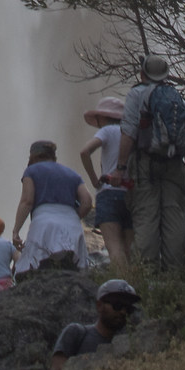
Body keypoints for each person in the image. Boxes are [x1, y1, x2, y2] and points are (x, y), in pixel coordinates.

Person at [116, 55, 185, 272]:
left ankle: (147, 276)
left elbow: (129, 132)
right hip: (175, 167)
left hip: (145, 165)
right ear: (166, 75)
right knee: (174, 219)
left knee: (146, 218)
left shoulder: (137, 94)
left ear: (142, 74)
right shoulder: (179, 102)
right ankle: (175, 275)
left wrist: (121, 168)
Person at [14, 140, 91, 273]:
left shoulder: (31, 171)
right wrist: (73, 217)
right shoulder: (72, 173)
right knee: (74, 268)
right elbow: (88, 201)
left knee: (39, 267)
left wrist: (16, 230)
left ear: (33, 156)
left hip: (44, 223)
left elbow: (27, 201)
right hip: (71, 223)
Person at [79, 95, 133, 269]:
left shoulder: (107, 131)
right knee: (130, 249)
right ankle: (138, 287)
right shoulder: (131, 133)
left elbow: (85, 152)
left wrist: (95, 180)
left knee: (114, 246)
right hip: (132, 195)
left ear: (103, 117)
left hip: (109, 192)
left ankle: (123, 287)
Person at [49, 279, 140, 370]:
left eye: (128, 309)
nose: (123, 312)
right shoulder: (75, 333)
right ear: (99, 305)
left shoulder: (131, 344)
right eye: (117, 306)